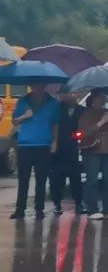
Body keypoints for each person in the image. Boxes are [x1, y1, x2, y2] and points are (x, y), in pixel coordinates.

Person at [9, 83, 60, 219]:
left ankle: (39, 209)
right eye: (35, 86)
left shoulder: (53, 103)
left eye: (40, 86)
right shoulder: (23, 101)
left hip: (43, 144)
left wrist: (55, 141)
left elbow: (55, 123)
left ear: (44, 86)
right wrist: (24, 116)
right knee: (23, 179)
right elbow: (14, 121)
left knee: (41, 179)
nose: (37, 88)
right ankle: (20, 209)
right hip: (25, 145)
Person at [79, 90, 108, 220]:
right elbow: (83, 132)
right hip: (92, 150)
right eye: (100, 98)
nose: (103, 101)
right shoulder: (86, 114)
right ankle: (92, 209)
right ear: (93, 100)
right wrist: (101, 122)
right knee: (92, 180)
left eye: (104, 98)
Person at [50, 92, 83, 215]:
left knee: (76, 178)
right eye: (68, 94)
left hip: (74, 150)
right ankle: (57, 203)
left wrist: (76, 136)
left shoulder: (82, 110)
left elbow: (83, 130)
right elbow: (52, 125)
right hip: (58, 150)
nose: (71, 96)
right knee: (57, 179)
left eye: (74, 93)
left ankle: (79, 203)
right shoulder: (57, 108)